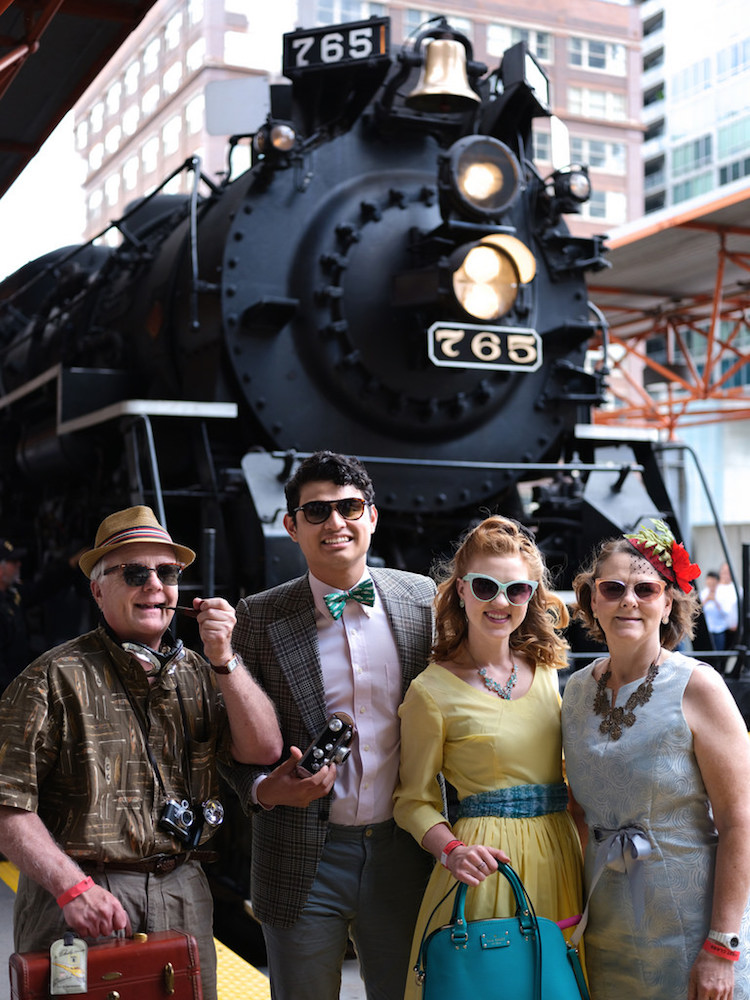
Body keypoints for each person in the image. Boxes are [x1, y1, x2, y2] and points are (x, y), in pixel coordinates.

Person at [0, 505, 282, 1000]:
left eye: (167, 572)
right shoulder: (50, 679)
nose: (154, 584)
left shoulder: (201, 670)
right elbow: (6, 804)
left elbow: (263, 749)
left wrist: (226, 659)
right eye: (134, 573)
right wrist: (72, 888)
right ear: (97, 589)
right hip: (80, 902)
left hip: (183, 893)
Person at [222, 451, 436, 1000]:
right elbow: (223, 743)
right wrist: (266, 789)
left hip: (404, 850)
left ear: (372, 515)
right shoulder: (259, 617)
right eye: (316, 512)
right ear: (291, 526)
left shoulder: (423, 601)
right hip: (301, 856)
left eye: (349, 507)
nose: (335, 523)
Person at [393, 515, 585, 1000]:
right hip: (486, 866)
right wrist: (452, 851)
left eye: (516, 590)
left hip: (561, 853)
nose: (500, 602)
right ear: (461, 590)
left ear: (532, 595)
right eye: (485, 586)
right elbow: (411, 802)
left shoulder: (547, 671)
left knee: (556, 985)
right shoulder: (430, 691)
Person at [561, 518, 750, 1000]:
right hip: (605, 923)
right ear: (592, 601)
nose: (629, 599)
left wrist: (722, 946)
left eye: (646, 589)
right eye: (613, 588)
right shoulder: (578, 690)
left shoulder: (699, 685)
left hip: (688, 925)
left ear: (668, 603)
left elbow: (740, 822)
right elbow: (577, 813)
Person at [0, 537, 83, 693]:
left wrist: (69, 565)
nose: (19, 565)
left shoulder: (12, 595)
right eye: (13, 562)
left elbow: (41, 589)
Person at [700, 570, 731, 658]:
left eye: (713, 583)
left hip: (719, 630)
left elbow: (726, 612)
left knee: (719, 656)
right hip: (707, 630)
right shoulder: (703, 593)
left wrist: (716, 602)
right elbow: (698, 610)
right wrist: (706, 600)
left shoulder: (722, 594)